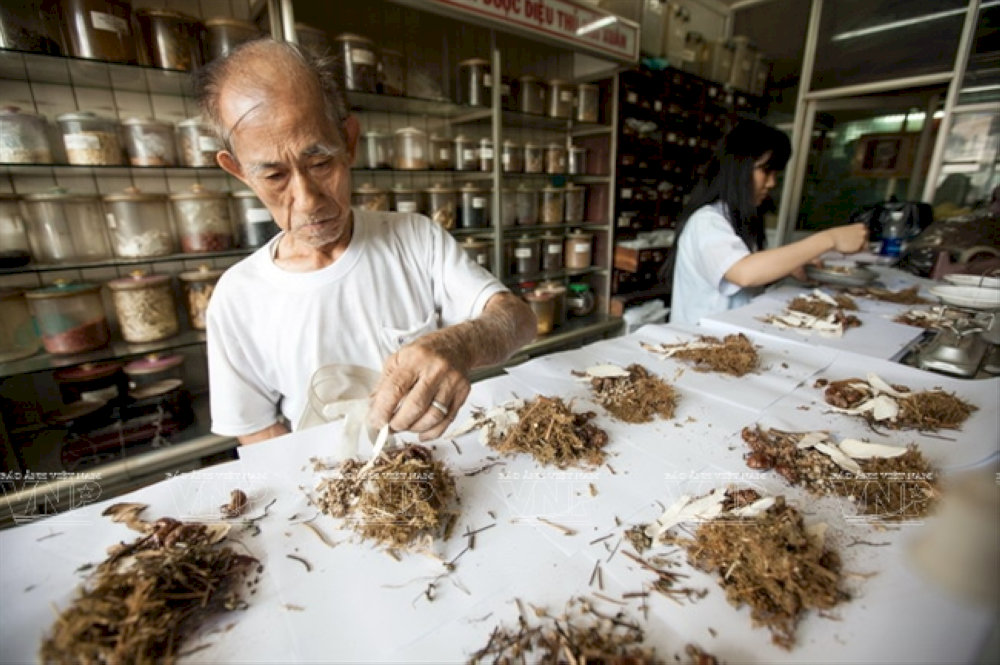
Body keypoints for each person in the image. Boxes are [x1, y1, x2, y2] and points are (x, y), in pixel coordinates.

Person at [192, 39, 536, 445]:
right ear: (239, 172)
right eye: (274, 176)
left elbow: (519, 320)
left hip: (445, 466)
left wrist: (460, 344)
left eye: (320, 163)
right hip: (324, 478)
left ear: (349, 142)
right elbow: (256, 431)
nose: (307, 200)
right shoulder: (237, 298)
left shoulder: (415, 239)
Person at [667, 119, 869, 326]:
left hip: (732, 333)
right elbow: (744, 273)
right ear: (739, 167)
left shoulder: (740, 218)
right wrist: (830, 239)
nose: (772, 183)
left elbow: (744, 281)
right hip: (700, 337)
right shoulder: (706, 221)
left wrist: (788, 268)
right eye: (765, 171)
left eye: (775, 174)